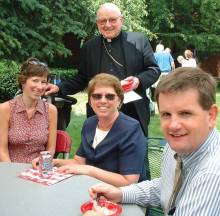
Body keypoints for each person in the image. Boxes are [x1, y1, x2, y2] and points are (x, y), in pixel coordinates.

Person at [86, 67, 220, 215]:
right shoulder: (175, 147)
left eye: (185, 113)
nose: (173, 126)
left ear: (211, 116)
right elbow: (164, 187)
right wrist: (121, 193)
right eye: (166, 114)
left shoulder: (212, 173)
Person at [45, 2, 160, 137]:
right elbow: (81, 78)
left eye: (112, 20)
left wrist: (138, 80)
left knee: (135, 155)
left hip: (133, 110)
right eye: (102, 21)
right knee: (99, 155)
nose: (107, 25)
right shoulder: (89, 47)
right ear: (97, 23)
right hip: (100, 111)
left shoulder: (139, 40)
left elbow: (153, 70)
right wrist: (59, 88)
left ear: (121, 19)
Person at [41, 73, 147, 187]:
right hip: (92, 189)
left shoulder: (131, 129)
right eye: (97, 96)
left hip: (123, 196)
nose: (103, 101)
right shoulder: (90, 124)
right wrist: (54, 162)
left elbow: (129, 181)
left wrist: (89, 170)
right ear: (90, 101)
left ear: (119, 101)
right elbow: (79, 162)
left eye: (110, 96)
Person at [0, 57, 57, 163]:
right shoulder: (5, 109)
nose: (40, 87)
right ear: (23, 81)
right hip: (10, 168)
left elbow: (51, 150)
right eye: (35, 80)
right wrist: (11, 173)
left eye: (43, 82)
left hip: (38, 169)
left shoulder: (51, 110)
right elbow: (2, 150)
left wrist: (42, 170)